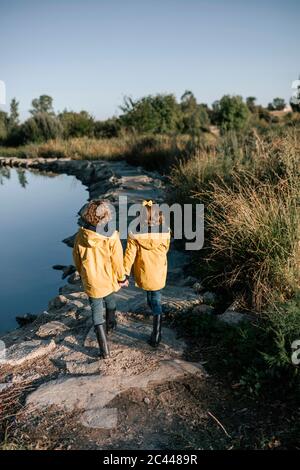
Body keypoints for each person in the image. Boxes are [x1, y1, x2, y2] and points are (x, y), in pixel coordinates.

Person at [73, 200, 127, 359]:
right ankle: (111, 324)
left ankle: (104, 351)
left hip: (91, 279)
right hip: (108, 278)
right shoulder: (112, 235)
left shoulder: (81, 235)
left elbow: (76, 256)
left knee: (96, 312)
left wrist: (81, 272)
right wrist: (121, 277)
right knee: (110, 300)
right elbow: (118, 259)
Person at [123, 200, 171, 347]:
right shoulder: (165, 231)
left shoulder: (134, 232)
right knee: (155, 297)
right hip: (158, 269)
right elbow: (166, 249)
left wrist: (124, 273)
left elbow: (129, 254)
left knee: (152, 299)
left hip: (144, 270)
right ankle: (157, 333)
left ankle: (156, 332)